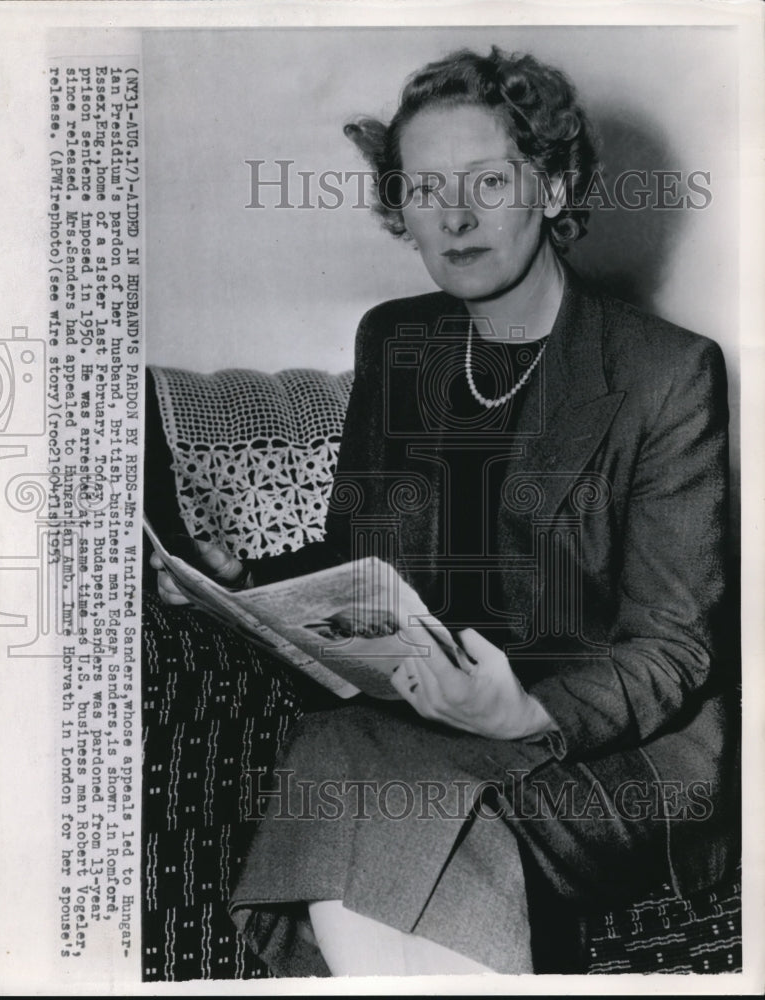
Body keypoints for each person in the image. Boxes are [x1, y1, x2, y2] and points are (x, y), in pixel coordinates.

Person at [151, 46, 737, 975]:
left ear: (551, 186)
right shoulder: (398, 341)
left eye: (486, 181)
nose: (453, 215)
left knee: (360, 773)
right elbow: (359, 559)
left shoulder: (664, 373)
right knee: (340, 745)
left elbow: (675, 648)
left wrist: (524, 712)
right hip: (427, 718)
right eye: (424, 188)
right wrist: (249, 582)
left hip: (611, 752)